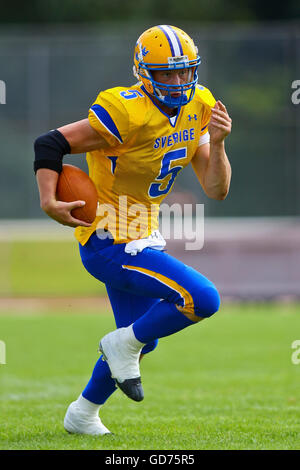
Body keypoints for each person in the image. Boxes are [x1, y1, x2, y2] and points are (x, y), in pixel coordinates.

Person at [34, 24, 232, 436]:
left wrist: (219, 143)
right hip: (108, 238)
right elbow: (49, 144)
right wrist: (50, 201)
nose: (178, 81)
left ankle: (82, 413)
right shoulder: (126, 111)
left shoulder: (199, 104)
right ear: (144, 72)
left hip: (141, 235)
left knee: (144, 340)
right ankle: (119, 346)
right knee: (202, 298)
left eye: (184, 71)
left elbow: (216, 190)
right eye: (166, 73)